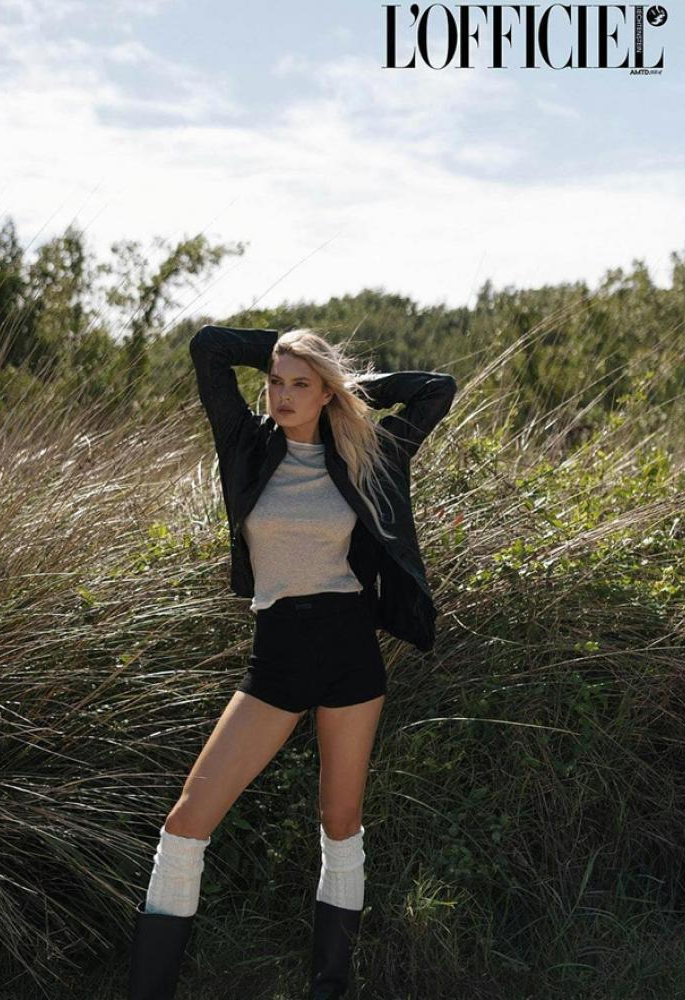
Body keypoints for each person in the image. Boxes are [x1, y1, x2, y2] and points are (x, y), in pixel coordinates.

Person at [128, 324, 458, 1000]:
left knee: (340, 823)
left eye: (299, 384)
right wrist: (283, 350)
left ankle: (328, 989)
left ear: (325, 392)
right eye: (275, 382)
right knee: (187, 822)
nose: (281, 394)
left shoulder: (365, 453)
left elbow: (436, 390)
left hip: (349, 652)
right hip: (276, 656)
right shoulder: (245, 444)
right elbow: (209, 347)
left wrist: (343, 384)